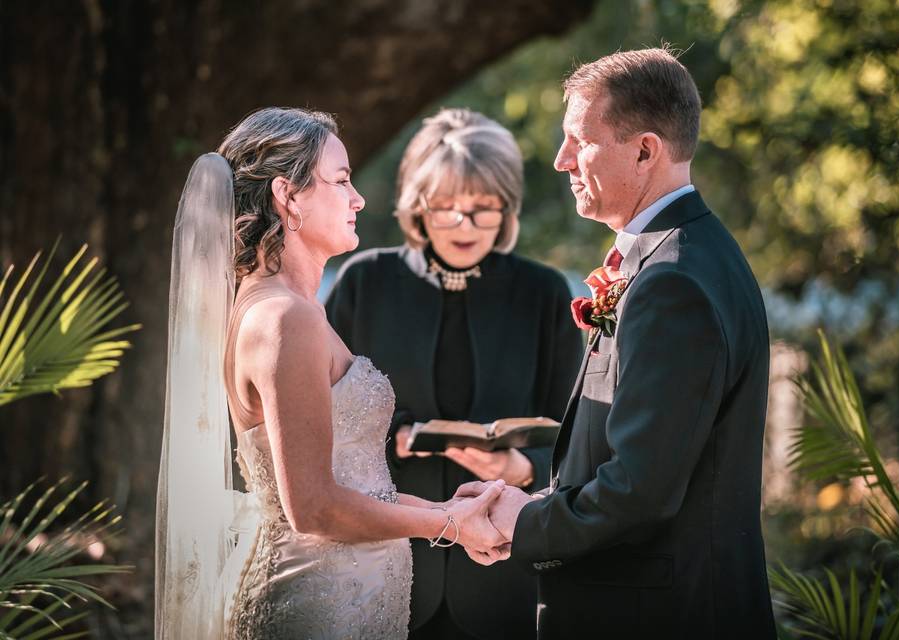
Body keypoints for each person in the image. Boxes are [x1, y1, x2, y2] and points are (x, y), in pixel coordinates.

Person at [154, 107, 509, 640]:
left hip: (354, 599)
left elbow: (354, 484)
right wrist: (447, 524)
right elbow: (315, 508)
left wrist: (442, 512)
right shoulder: (283, 318)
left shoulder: (295, 309)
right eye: (341, 180)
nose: (358, 198)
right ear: (288, 196)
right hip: (317, 607)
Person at [460, 49, 778, 638]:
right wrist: (532, 503)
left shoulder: (674, 281)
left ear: (644, 150)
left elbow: (640, 489)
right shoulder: (687, 256)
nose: (560, 161)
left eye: (579, 140)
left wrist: (525, 524)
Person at [325, 108, 582, 639]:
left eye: (483, 209)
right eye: (446, 209)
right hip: (380, 566)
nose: (465, 227)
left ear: (507, 209)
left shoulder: (545, 293)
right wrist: (390, 438)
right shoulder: (363, 283)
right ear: (418, 207)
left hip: (503, 576)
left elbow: (576, 434)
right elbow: (317, 422)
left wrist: (522, 466)